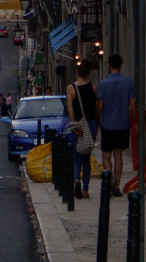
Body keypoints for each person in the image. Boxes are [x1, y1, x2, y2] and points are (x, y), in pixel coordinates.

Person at [96, 54, 138, 197]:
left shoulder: (103, 84)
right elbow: (132, 104)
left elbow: (100, 106)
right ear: (121, 65)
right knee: (118, 155)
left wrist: (97, 121)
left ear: (109, 66)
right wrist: (135, 122)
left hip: (107, 124)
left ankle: (108, 180)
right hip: (123, 124)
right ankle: (117, 185)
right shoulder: (129, 82)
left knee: (106, 155)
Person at [66, 58, 98, 199]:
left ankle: (76, 181)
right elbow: (96, 108)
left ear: (77, 72)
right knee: (87, 157)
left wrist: (73, 125)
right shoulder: (93, 87)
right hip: (90, 123)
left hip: (78, 124)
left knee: (77, 157)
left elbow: (70, 110)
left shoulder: (70, 88)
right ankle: (85, 190)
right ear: (88, 73)